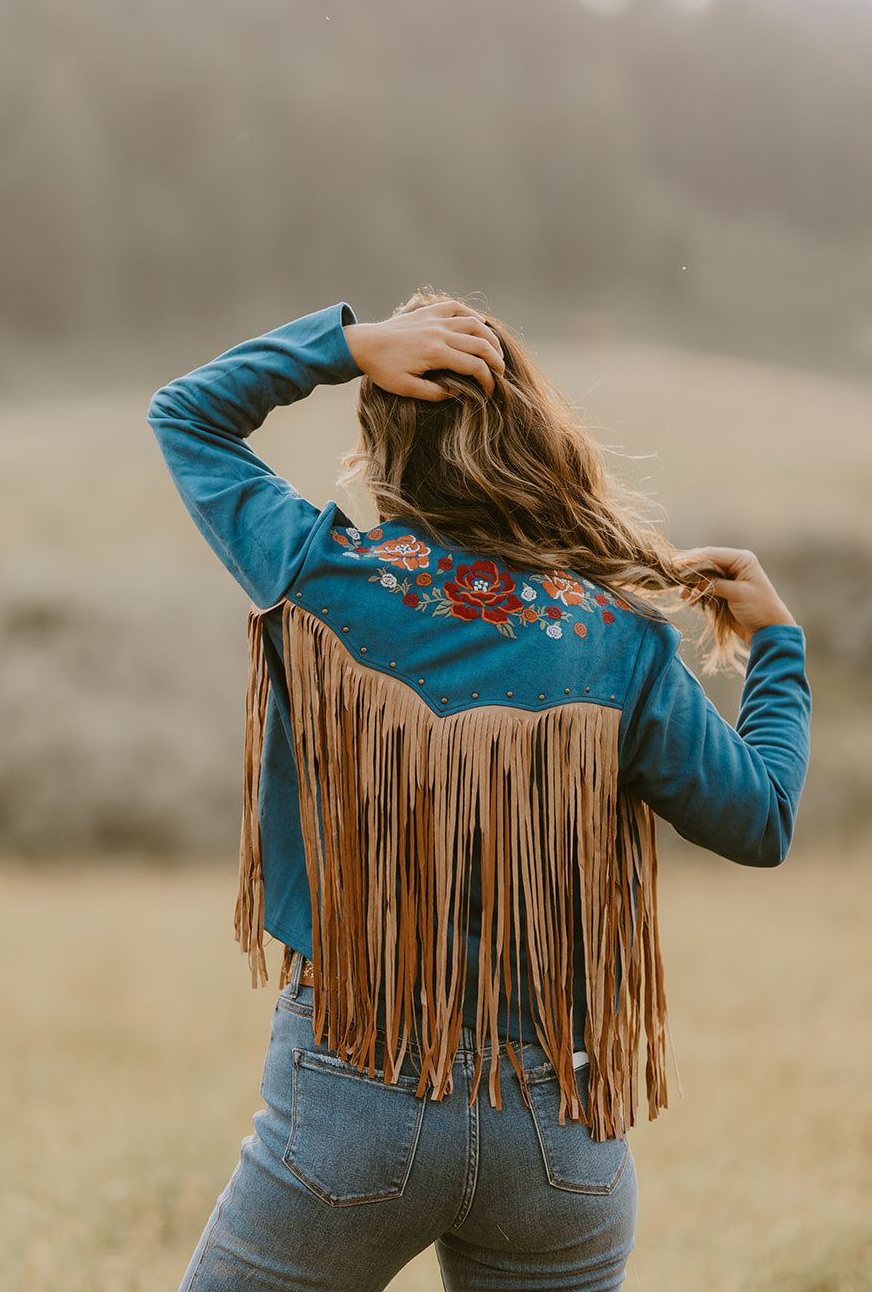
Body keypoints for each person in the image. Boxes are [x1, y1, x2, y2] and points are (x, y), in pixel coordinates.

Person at [148, 294, 810, 1292]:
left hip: (351, 1101)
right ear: (533, 435)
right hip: (559, 1130)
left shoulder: (321, 574)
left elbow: (185, 414)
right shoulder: (617, 639)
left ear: (381, 443)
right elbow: (760, 818)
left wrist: (342, 346)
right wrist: (777, 650)